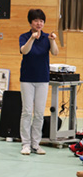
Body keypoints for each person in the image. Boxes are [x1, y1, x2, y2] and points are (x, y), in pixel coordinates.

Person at [19, 9, 59, 155]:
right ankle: (26, 144)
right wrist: (32, 38)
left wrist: (52, 41)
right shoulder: (24, 37)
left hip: (43, 79)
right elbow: (24, 51)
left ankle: (36, 144)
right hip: (27, 79)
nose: (39, 23)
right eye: (36, 20)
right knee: (27, 112)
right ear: (31, 22)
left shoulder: (47, 38)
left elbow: (55, 52)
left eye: (41, 21)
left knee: (39, 113)